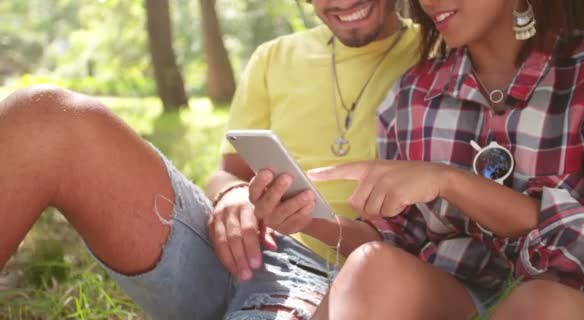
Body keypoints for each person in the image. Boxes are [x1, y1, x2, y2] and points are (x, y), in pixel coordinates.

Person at [0, 0, 420, 319]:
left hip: (350, 280)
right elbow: (226, 172)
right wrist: (233, 194)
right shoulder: (275, 57)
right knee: (43, 116)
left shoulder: (443, 53)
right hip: (237, 251)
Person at [305, 0, 584, 319]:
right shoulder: (413, 94)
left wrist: (450, 182)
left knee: (542, 305)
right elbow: (400, 234)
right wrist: (309, 219)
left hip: (577, 295)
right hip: (454, 293)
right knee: (372, 265)